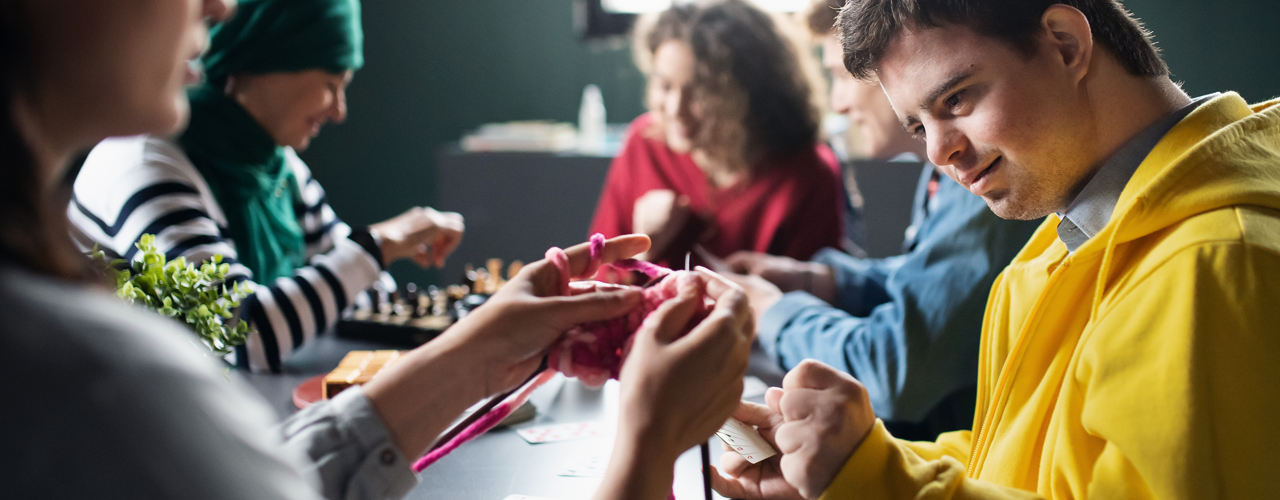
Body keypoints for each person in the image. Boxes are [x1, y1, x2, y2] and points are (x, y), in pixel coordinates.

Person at [0, 0, 754, 499]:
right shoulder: (91, 382)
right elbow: (250, 329)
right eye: (329, 79)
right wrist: (650, 441)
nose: (219, 6)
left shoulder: (273, 171)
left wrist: (479, 348)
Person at [712, 0, 1280, 498]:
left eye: (956, 99)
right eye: (918, 127)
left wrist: (874, 478)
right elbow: (1019, 463)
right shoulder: (1070, 238)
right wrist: (851, 464)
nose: (939, 153)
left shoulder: (1214, 262)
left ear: (1065, 44)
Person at [68, 0, 463, 372]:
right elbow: (239, 337)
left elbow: (363, 293)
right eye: (331, 82)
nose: (338, 110)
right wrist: (381, 243)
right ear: (267, 61)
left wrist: (366, 260)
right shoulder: (144, 162)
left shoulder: (276, 166)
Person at [723, 0, 1040, 441]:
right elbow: (930, 285)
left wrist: (770, 309)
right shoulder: (942, 170)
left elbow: (897, 369)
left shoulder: (985, 178)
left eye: (840, 76)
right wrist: (822, 282)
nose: (838, 103)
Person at [589, 0, 844, 269]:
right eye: (664, 86)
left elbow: (814, 301)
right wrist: (642, 249)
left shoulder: (807, 174)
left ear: (747, 94)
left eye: (700, 92)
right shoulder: (643, 144)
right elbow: (598, 281)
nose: (676, 109)